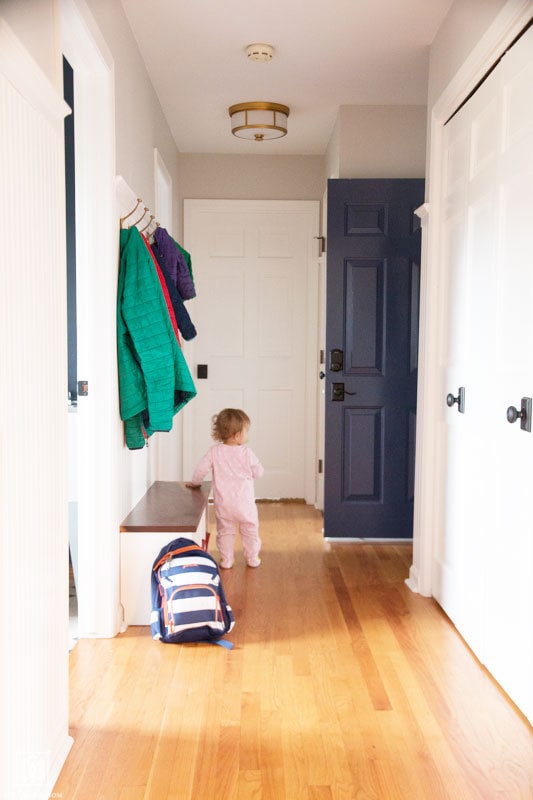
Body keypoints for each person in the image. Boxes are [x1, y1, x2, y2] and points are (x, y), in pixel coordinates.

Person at [186, 409, 264, 568]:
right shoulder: (246, 453)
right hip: (245, 504)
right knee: (250, 530)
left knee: (225, 531)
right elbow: (259, 472)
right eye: (246, 432)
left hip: (224, 503)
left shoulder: (215, 451)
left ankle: (227, 560)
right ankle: (252, 558)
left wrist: (195, 483)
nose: (247, 435)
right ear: (237, 435)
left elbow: (201, 469)